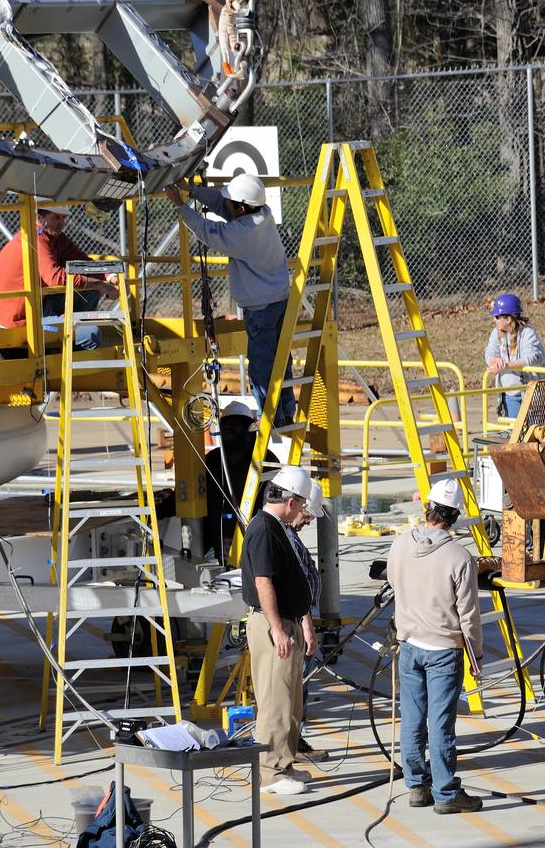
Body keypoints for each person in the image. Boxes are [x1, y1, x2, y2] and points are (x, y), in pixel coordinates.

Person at [164, 174, 296, 426]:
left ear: (242, 207)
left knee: (261, 366)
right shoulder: (262, 213)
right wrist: (192, 190)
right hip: (280, 299)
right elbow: (225, 206)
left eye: (233, 204)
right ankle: (285, 413)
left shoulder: (242, 233)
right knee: (281, 359)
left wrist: (180, 206)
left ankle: (272, 418)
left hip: (260, 307)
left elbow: (208, 231)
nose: (227, 207)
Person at [387, 478, 483, 815]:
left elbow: (392, 580)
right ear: (455, 514)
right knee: (441, 724)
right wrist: (476, 655)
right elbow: (468, 614)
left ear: (427, 508)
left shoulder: (399, 545)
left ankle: (416, 786)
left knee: (412, 719)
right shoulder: (460, 557)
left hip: (409, 645)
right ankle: (445, 793)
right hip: (443, 650)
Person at [240, 465, 318, 795]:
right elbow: (263, 582)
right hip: (274, 624)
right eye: (302, 505)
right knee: (275, 701)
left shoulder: (278, 527)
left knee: (290, 701)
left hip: (288, 621)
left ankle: (284, 764)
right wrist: (277, 629)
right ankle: (270, 773)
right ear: (290, 501)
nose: (303, 511)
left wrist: (303, 621)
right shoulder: (264, 530)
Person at [0, 201, 117, 354]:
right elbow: (55, 278)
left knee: (89, 290)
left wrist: (109, 275)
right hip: (22, 323)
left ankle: (66, 329)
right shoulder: (36, 238)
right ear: (39, 217)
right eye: (56, 217)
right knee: (91, 335)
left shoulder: (54, 237)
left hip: (38, 307)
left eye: (63, 218)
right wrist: (100, 284)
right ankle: (63, 352)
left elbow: (82, 261)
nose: (61, 223)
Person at [202, 401, 276, 565]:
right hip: (221, 537)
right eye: (226, 427)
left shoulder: (266, 460)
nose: (229, 431)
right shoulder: (213, 460)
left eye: (235, 426)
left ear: (247, 429)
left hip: (258, 536)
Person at [286, 482, 329, 763]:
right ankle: (291, 745)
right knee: (294, 687)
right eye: (307, 516)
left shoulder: (290, 534)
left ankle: (294, 741)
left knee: (299, 687)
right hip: (296, 622)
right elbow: (297, 585)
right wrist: (307, 626)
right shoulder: (286, 537)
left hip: (299, 619)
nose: (308, 522)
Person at [484, 293, 545, 419]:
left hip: (533, 392)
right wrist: (494, 360)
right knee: (514, 432)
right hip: (510, 393)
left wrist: (506, 366)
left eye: (497, 316)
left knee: (534, 432)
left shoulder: (527, 333)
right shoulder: (496, 333)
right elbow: (489, 352)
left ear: (508, 319)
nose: (494, 320)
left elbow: (531, 358)